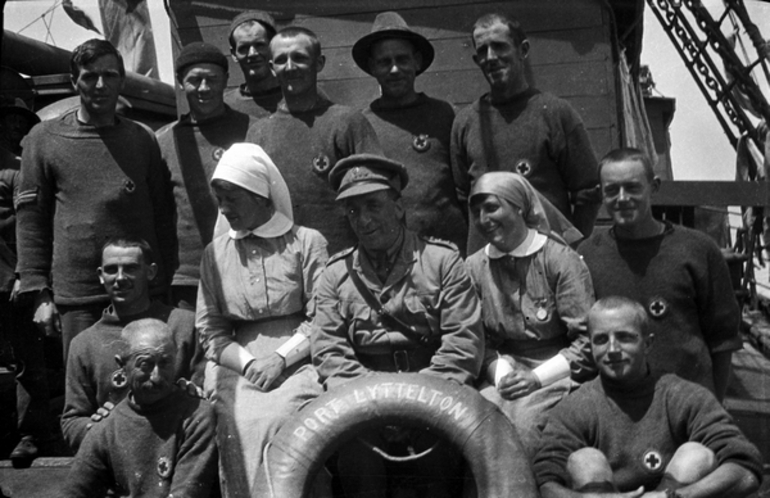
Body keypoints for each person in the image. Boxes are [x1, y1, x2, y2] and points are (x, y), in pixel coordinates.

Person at [311, 153, 484, 497]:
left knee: (440, 461)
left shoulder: (441, 262)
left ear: (398, 207)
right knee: (356, 460)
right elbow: (330, 351)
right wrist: (377, 408)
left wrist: (414, 405)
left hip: (436, 393)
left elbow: (463, 344)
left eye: (373, 205)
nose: (363, 219)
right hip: (361, 400)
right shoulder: (334, 275)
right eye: (353, 211)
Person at [16, 39, 176, 360]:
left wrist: (163, 283)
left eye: (110, 75)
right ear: (74, 81)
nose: (100, 85)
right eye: (90, 76)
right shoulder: (44, 140)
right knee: (87, 390)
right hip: (78, 298)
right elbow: (31, 219)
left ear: (122, 81)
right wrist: (38, 291)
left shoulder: (141, 138)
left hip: (140, 292)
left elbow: (162, 213)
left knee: (148, 382)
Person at [196, 143, 327, 497]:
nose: (224, 209)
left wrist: (280, 358)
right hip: (237, 361)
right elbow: (211, 329)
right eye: (219, 199)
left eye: (232, 198)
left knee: (284, 418)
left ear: (260, 195)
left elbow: (324, 317)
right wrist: (250, 362)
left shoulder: (306, 242)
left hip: (301, 356)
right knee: (234, 421)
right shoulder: (216, 253)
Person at [533, 297, 762, 498]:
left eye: (624, 338)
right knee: (584, 460)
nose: (612, 349)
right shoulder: (577, 406)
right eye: (601, 340)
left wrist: (673, 496)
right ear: (591, 346)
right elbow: (545, 480)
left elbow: (746, 468)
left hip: (671, 495)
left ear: (648, 343)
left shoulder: (682, 396)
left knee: (695, 455)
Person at [577, 148, 741, 400]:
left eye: (632, 187)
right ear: (601, 194)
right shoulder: (589, 254)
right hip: (619, 406)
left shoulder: (697, 249)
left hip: (688, 401)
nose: (622, 198)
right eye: (612, 190)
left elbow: (723, 340)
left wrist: (713, 407)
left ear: (653, 187)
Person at [465, 171, 595, 455]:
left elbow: (587, 341)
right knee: (475, 423)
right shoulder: (474, 267)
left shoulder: (560, 260)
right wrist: (502, 377)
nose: (484, 219)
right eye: (477, 212)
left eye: (492, 207)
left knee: (524, 427)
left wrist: (536, 378)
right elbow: (476, 338)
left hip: (558, 372)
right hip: (503, 372)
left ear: (519, 207)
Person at [451, 13, 600, 253]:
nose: (491, 57)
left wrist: (571, 248)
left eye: (499, 46)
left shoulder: (555, 113)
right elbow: (460, 199)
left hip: (544, 260)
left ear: (523, 50)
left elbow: (588, 192)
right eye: (482, 51)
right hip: (488, 264)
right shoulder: (465, 122)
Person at [246, 26, 382, 254]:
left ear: (319, 63)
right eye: (281, 60)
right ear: (271, 68)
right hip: (282, 264)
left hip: (344, 262)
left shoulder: (347, 122)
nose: (290, 67)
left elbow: (376, 195)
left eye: (299, 58)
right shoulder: (259, 133)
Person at [62, 237, 203, 452]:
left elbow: (209, 397)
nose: (120, 278)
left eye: (130, 268)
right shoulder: (84, 343)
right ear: (101, 276)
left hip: (178, 447)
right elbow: (72, 422)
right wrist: (99, 428)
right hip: (117, 454)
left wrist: (191, 396)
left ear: (150, 272)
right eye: (111, 270)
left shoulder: (184, 325)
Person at [352, 11, 467, 252]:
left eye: (402, 59)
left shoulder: (446, 114)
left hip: (450, 250)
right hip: (392, 256)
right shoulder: (361, 124)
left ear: (416, 61)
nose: (394, 69)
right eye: (384, 62)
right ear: (372, 67)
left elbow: (466, 187)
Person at [63, 318, 217, 498]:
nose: (157, 376)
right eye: (146, 364)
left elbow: (187, 493)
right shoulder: (108, 427)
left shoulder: (197, 416)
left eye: (166, 363)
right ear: (122, 365)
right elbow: (74, 491)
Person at [156, 41, 256, 309]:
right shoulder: (165, 141)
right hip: (188, 278)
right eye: (194, 80)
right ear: (180, 82)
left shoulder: (253, 131)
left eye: (212, 79)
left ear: (226, 80)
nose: (204, 88)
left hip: (249, 267)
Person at [0, 98, 52, 467]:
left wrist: (24, 275)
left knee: (26, 361)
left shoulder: (19, 173)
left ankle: (30, 433)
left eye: (23, 125)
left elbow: (30, 226)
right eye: (9, 124)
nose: (15, 131)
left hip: (10, 282)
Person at [224, 10, 283, 117]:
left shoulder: (297, 96)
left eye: (260, 45)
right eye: (244, 48)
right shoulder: (225, 107)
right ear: (234, 54)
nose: (252, 54)